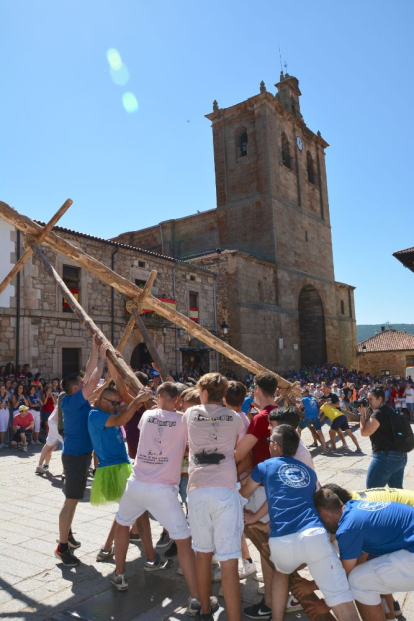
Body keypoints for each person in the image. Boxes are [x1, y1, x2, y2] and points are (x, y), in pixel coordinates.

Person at [112, 382, 215, 619]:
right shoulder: (184, 420)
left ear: (159, 396)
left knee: (122, 524)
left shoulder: (147, 415)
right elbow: (188, 446)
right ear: (177, 399)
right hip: (162, 489)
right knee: (183, 541)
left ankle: (119, 574)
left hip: (137, 483)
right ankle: (195, 598)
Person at [241, 425, 359, 621]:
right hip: (314, 535)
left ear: (276, 446)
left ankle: (276, 618)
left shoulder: (265, 466)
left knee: (281, 572)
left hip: (282, 541)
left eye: (270, 441)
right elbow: (296, 501)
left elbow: (246, 493)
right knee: (341, 599)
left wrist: (249, 515)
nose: (269, 445)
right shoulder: (309, 473)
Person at [184, 373, 245, 621]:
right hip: (225, 489)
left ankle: (206, 611)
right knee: (229, 560)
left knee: (203, 554)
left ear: (205, 392)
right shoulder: (235, 418)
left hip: (198, 489)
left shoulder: (190, 414)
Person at [314, 488, 414, 621]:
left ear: (324, 514)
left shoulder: (348, 528)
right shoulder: (354, 507)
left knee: (358, 581)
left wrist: (322, 599)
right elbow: (361, 560)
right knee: (370, 574)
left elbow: (344, 574)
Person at [55, 338, 108, 566]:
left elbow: (88, 372)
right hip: (76, 457)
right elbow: (95, 377)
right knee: (71, 500)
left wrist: (95, 348)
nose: (85, 382)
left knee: (73, 500)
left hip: (77, 455)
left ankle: (68, 535)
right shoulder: (75, 401)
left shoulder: (70, 398)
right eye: (81, 383)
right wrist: (104, 357)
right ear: (77, 388)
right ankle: (62, 545)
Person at [88, 377, 152, 562]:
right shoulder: (95, 415)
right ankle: (148, 555)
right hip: (113, 469)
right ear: (102, 401)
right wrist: (137, 401)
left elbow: (123, 410)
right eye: (113, 402)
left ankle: (109, 547)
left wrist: (134, 402)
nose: (116, 405)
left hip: (120, 466)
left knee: (128, 510)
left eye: (118, 402)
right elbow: (121, 418)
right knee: (136, 510)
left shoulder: (107, 409)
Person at [234, 372, 278, 619]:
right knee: (272, 543)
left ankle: (270, 602)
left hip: (263, 486)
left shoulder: (262, 418)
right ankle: (277, 596)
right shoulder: (281, 411)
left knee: (265, 546)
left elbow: (240, 452)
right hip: (277, 484)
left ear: (258, 389)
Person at [358, 386, 408, 488]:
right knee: (397, 492)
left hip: (386, 457)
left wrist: (362, 415)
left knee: (372, 492)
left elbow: (364, 432)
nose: (368, 402)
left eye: (370, 399)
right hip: (400, 455)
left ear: (380, 399)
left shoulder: (379, 413)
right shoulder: (389, 409)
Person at [36, 393, 64, 474]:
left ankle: (42, 465)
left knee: (49, 445)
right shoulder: (67, 396)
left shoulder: (61, 397)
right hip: (57, 423)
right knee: (67, 447)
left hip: (51, 421)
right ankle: (66, 471)